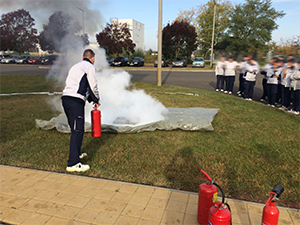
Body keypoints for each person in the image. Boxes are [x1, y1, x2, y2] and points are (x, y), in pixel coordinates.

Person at [61, 49, 100, 172]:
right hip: (75, 101)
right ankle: (73, 164)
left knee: (75, 129)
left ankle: (76, 154)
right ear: (92, 58)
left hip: (66, 99)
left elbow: (81, 85)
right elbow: (93, 85)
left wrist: (90, 99)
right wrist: (97, 99)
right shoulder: (89, 66)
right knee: (78, 130)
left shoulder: (75, 66)